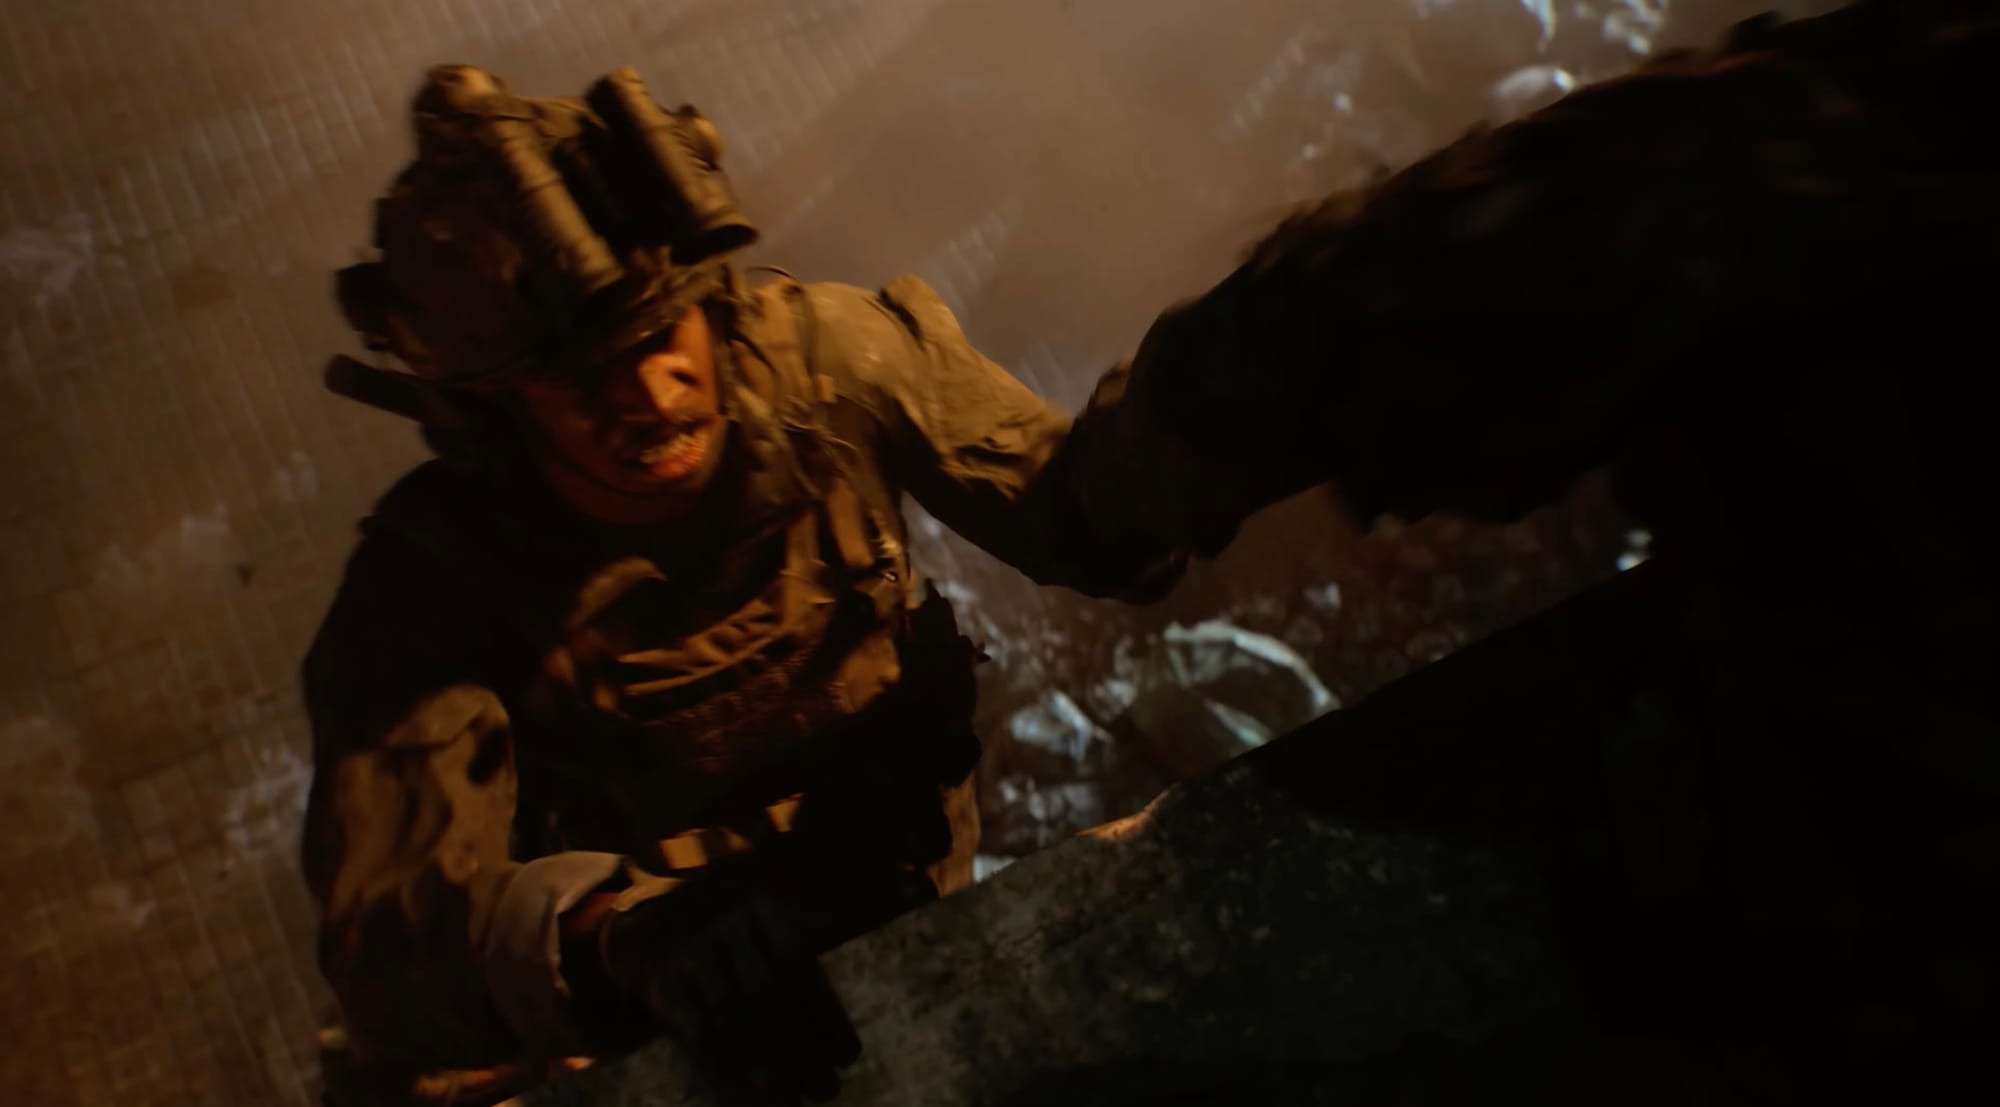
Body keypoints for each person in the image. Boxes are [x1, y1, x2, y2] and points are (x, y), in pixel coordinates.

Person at [302, 64, 1287, 1107]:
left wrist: (1208, 402)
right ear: (503, 407)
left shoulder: (831, 364)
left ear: (710, 301)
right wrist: (617, 934)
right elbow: (389, 929)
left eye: (661, 334)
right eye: (586, 378)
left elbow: (1079, 516)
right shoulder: (432, 578)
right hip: (676, 1003)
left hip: (907, 883)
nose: (651, 394)